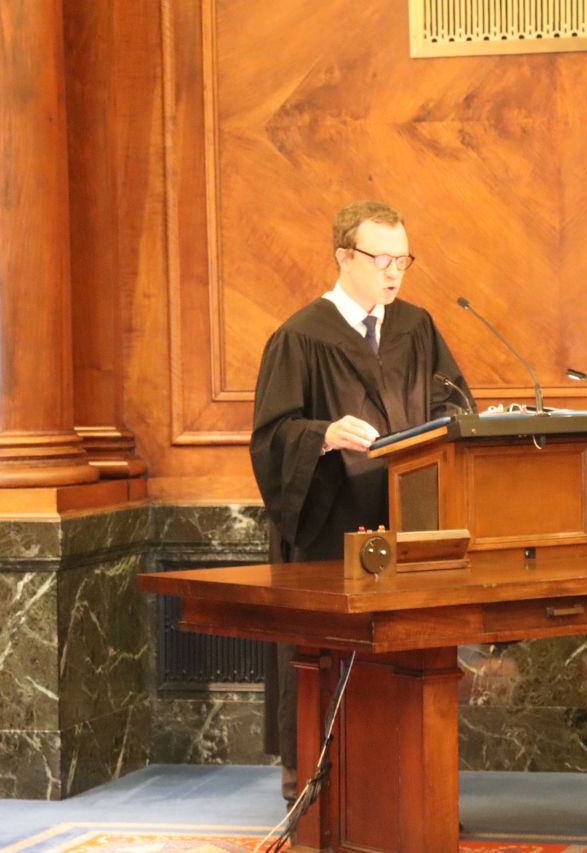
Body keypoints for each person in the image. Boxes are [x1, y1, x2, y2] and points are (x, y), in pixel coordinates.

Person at [250, 200, 473, 802]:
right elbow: (271, 436)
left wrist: (446, 428)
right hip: (331, 528)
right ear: (344, 257)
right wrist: (320, 435)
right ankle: (319, 790)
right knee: (329, 660)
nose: (394, 272)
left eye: (403, 259)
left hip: (407, 521)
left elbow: (454, 403)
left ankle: (407, 794)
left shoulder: (416, 327)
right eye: (381, 259)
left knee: (406, 659)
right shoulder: (300, 337)